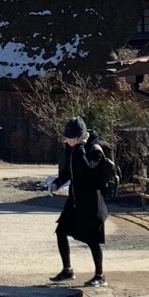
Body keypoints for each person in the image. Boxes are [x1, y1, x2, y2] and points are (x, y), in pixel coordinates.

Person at [49, 117, 113, 287]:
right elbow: (68, 171)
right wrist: (57, 183)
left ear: (80, 137)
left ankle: (100, 275)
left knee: (93, 239)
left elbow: (86, 170)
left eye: (71, 138)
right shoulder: (72, 148)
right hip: (75, 200)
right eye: (67, 137)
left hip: (92, 202)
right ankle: (67, 270)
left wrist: (79, 148)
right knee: (61, 231)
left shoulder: (95, 149)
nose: (67, 140)